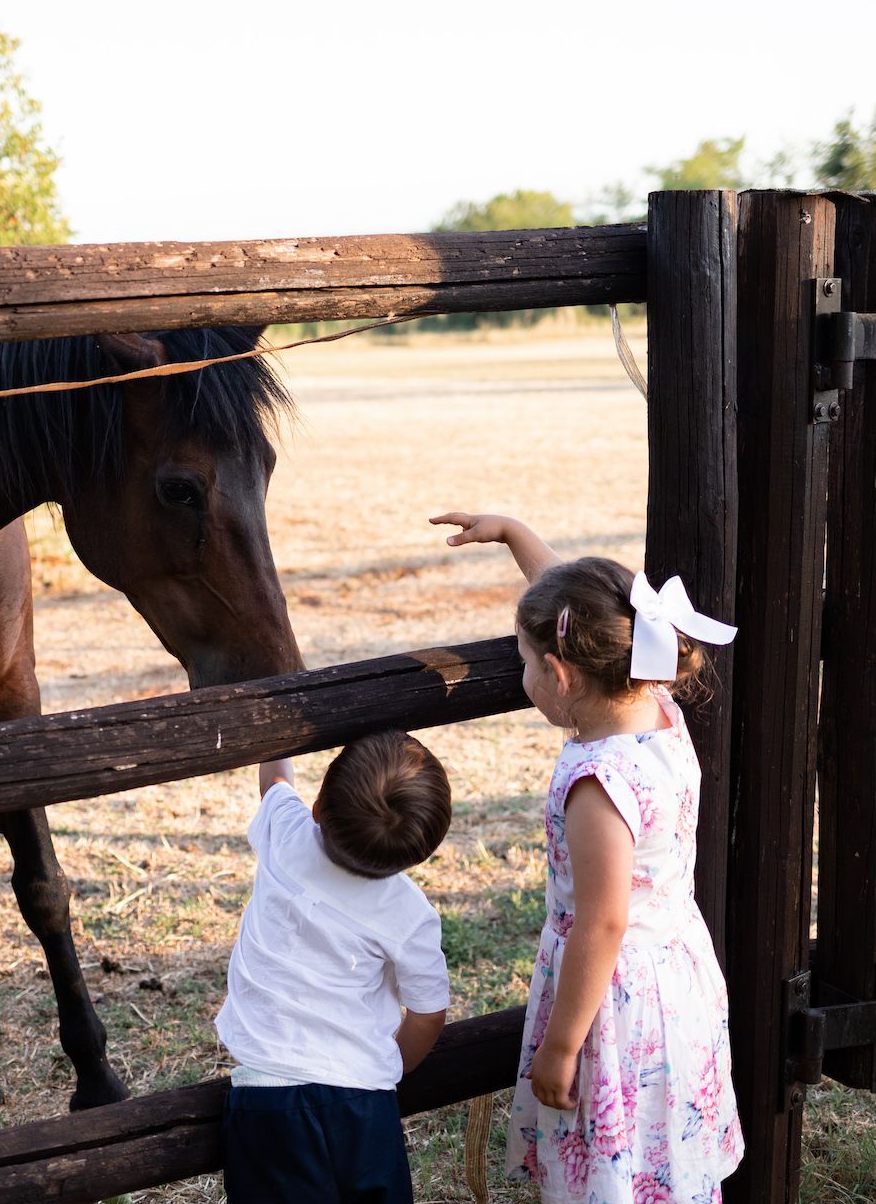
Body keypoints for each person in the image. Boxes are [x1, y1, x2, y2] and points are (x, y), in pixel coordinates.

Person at [432, 511, 744, 1203]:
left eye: (523, 663)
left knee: (612, 1169)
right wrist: (515, 534)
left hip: (613, 1004)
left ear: (557, 674)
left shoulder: (598, 784)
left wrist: (562, 1045)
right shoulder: (656, 701)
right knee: (663, 1158)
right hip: (676, 977)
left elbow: (602, 923)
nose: (522, 675)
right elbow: (587, 611)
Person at [215, 730, 454, 1204]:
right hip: (364, 1102)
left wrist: (280, 710)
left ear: (318, 808)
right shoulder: (409, 913)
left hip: (267, 1097)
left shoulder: (287, 836)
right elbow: (428, 1013)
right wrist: (385, 1067)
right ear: (421, 851)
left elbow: (275, 779)